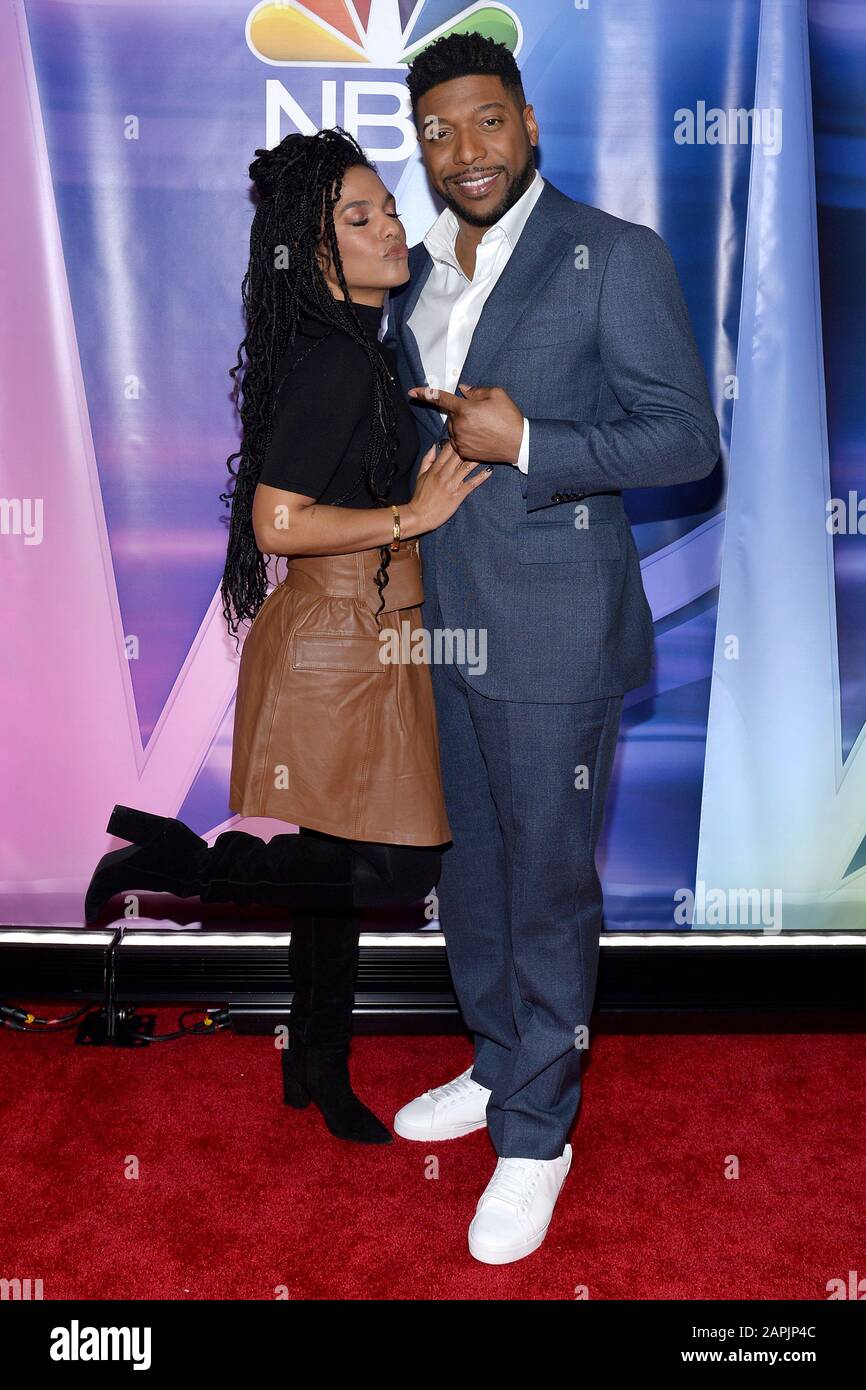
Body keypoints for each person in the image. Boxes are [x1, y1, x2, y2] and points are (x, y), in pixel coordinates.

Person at [83, 128, 492, 1145]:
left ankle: (316, 1065)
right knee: (396, 873)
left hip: (362, 628)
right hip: (342, 637)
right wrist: (415, 516)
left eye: (386, 207)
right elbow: (277, 521)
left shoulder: (364, 347)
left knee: (333, 880)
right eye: (357, 220)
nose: (390, 226)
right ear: (314, 256)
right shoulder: (337, 365)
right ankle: (182, 868)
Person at [385, 33, 720, 1262]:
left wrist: (530, 441)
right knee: (467, 874)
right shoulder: (412, 273)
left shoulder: (609, 257)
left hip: (555, 631)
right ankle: (493, 1063)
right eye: (436, 131)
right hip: (442, 623)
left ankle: (537, 1133)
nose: (462, 152)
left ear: (526, 124)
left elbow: (684, 440)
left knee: (544, 892)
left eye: (483, 124)